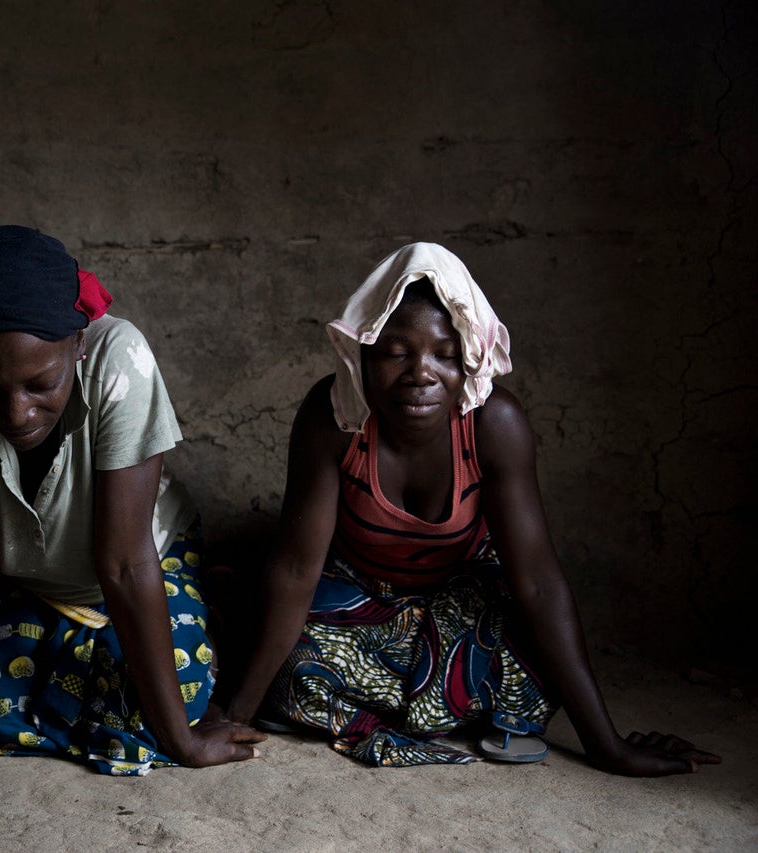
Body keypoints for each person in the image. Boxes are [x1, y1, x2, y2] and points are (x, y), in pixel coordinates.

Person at [221, 242, 721, 774]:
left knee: (530, 643)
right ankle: (449, 713)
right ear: (362, 354)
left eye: (446, 353)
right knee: (282, 650)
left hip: (461, 603)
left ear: (472, 358)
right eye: (395, 352)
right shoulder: (335, 418)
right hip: (360, 596)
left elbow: (538, 583)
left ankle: (377, 710)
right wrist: (232, 716)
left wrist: (608, 745)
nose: (421, 373)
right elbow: (297, 571)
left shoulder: (493, 424)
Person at [0, 225, 264, 775]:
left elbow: (124, 563)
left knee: (173, 698)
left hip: (141, 567)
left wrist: (184, 744)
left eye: (39, 384)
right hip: (30, 581)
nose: (17, 412)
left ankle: (198, 607)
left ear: (78, 343)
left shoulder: (120, 358)